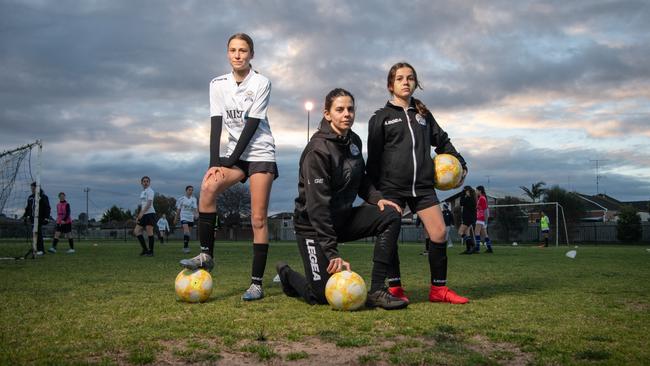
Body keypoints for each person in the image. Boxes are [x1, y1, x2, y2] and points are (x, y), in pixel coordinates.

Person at [276, 88, 408, 310]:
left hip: (343, 218)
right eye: (340, 109)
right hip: (313, 227)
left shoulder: (354, 140)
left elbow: (361, 178)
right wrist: (332, 253)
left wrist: (377, 198)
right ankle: (287, 274)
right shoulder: (317, 151)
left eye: (350, 109)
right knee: (321, 295)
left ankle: (377, 289)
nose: (347, 114)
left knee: (391, 214)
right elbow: (317, 208)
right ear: (327, 114)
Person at [180, 33, 278, 301]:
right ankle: (206, 255)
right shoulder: (217, 84)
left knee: (258, 218)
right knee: (208, 186)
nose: (238, 55)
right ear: (227, 54)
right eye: (233, 50)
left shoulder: (261, 82)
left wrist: (231, 157)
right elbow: (216, 122)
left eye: (243, 50)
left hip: (259, 152)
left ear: (251, 55)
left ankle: (256, 284)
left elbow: (253, 124)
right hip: (234, 155)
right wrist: (214, 162)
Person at [367, 62, 469, 304]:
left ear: (415, 83)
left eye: (410, 78)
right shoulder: (380, 118)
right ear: (390, 84)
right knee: (390, 236)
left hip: (422, 186)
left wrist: (461, 163)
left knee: (439, 232)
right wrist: (375, 192)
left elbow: (443, 141)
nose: (405, 82)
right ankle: (394, 288)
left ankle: (438, 290)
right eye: (400, 78)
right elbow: (374, 158)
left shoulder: (423, 114)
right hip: (391, 187)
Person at [23, 182, 51, 256]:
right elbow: (28, 208)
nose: (32, 189)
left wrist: (46, 218)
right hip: (32, 218)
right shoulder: (30, 197)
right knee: (34, 233)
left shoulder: (43, 197)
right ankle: (36, 248)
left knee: (38, 233)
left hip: (40, 218)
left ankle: (41, 250)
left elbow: (47, 207)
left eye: (33, 188)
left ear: (37, 188)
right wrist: (25, 216)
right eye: (31, 188)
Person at [134, 176, 156, 256]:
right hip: (143, 213)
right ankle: (145, 250)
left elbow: (149, 204)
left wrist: (142, 213)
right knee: (136, 231)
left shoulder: (150, 191)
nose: (145, 182)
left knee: (149, 232)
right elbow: (143, 205)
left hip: (150, 214)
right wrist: (139, 215)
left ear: (149, 183)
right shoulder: (142, 192)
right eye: (144, 181)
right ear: (141, 183)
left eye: (147, 181)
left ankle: (151, 252)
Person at [175, 185, 198, 253]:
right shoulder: (181, 199)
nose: (191, 191)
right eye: (189, 190)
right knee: (186, 231)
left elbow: (195, 209)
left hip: (190, 217)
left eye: (192, 190)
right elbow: (178, 209)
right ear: (186, 191)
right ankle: (186, 248)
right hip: (184, 217)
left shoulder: (194, 199)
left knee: (188, 234)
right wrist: (176, 218)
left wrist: (196, 214)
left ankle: (186, 246)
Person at [474, 185, 493, 253]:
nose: (475, 192)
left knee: (476, 232)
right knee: (485, 234)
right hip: (481, 217)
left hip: (481, 217)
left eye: (476, 190)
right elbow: (478, 207)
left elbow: (485, 210)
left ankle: (477, 248)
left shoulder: (482, 198)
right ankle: (489, 248)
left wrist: (485, 221)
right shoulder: (480, 198)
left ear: (480, 191)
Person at [458, 186, 477, 254]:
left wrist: (462, 194)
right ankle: (468, 249)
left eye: (465, 191)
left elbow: (461, 203)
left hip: (467, 218)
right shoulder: (472, 198)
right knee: (467, 233)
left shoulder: (469, 198)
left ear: (467, 191)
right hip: (470, 218)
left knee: (460, 232)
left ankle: (473, 245)